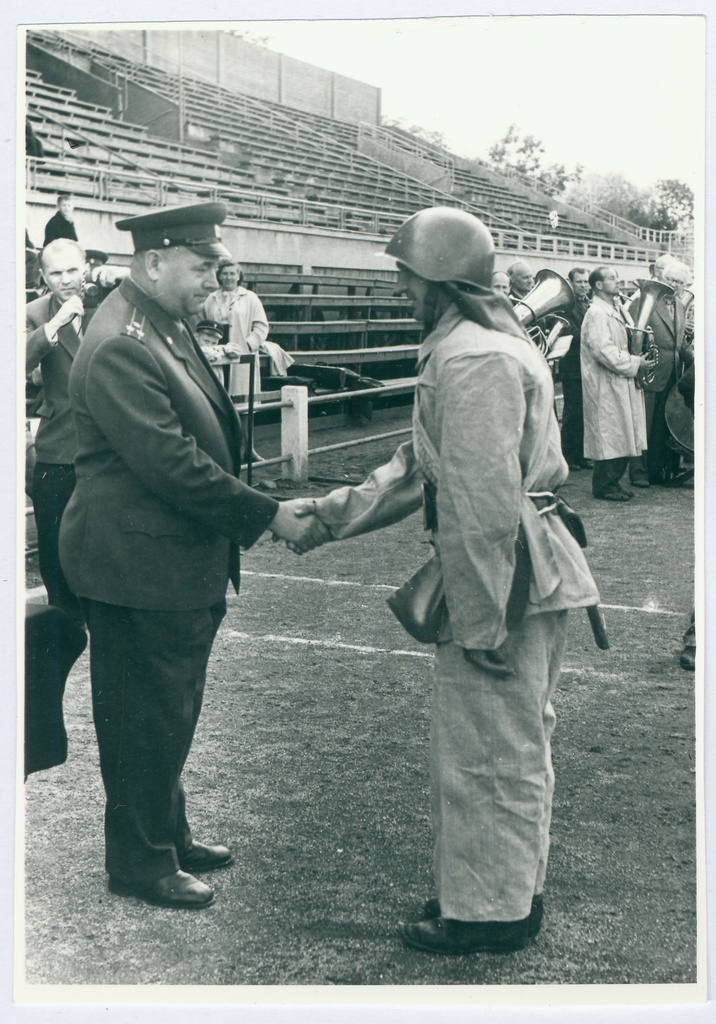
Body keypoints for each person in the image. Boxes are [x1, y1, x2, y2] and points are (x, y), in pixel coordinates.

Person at [293, 207, 601, 955]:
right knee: (508, 741)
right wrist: (328, 515)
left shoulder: (471, 358)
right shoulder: (480, 343)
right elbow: (422, 466)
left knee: (489, 749)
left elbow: (478, 505)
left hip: (507, 578)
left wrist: (483, 616)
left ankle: (489, 915)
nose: (400, 286)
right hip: (526, 569)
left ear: (438, 279)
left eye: (407, 274)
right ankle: (499, 893)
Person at [58, 201, 327, 910]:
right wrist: (266, 514)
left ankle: (166, 832)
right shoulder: (123, 339)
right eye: (202, 264)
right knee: (143, 714)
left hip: (166, 559)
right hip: (137, 564)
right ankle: (140, 860)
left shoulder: (157, 323)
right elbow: (171, 463)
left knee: (167, 708)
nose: (216, 275)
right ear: (154, 262)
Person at [26, 238, 92, 627]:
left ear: (85, 267)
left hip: (111, 442)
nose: (66, 279)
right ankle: (64, 621)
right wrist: (54, 325)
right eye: (56, 272)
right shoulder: (35, 312)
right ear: (43, 277)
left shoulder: (113, 306)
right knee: (54, 542)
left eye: (72, 269)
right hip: (59, 444)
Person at [580, 266, 655, 501]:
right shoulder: (596, 313)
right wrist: (635, 362)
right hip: (607, 382)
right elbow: (603, 350)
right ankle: (604, 485)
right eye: (611, 278)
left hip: (621, 379)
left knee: (622, 431)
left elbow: (630, 338)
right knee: (610, 433)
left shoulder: (618, 309)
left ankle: (612, 481)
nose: (617, 281)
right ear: (598, 285)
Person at [628, 261, 688, 486]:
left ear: (685, 285)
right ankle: (638, 472)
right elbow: (635, 335)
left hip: (671, 374)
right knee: (644, 425)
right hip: (650, 372)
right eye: (671, 280)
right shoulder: (647, 301)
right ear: (664, 280)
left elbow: (678, 343)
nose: (675, 285)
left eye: (680, 282)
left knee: (662, 426)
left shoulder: (681, 305)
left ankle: (655, 470)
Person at [559, 267, 592, 471]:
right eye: (579, 282)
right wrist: (593, 333)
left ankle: (580, 455)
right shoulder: (565, 305)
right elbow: (568, 330)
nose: (583, 286)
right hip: (572, 364)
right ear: (570, 283)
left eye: (586, 282)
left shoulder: (587, 303)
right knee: (572, 412)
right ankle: (569, 455)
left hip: (586, 364)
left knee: (584, 412)